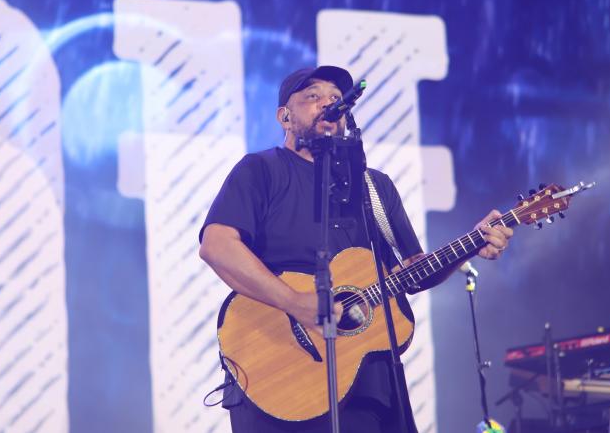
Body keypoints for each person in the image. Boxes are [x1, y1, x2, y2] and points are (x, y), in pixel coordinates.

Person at [199, 65, 513, 432]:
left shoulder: (375, 187)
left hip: (366, 386)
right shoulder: (260, 170)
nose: (327, 104)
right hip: (276, 377)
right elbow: (217, 246)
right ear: (284, 116)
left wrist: (471, 245)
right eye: (313, 97)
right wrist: (293, 302)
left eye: (336, 99)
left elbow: (412, 271)